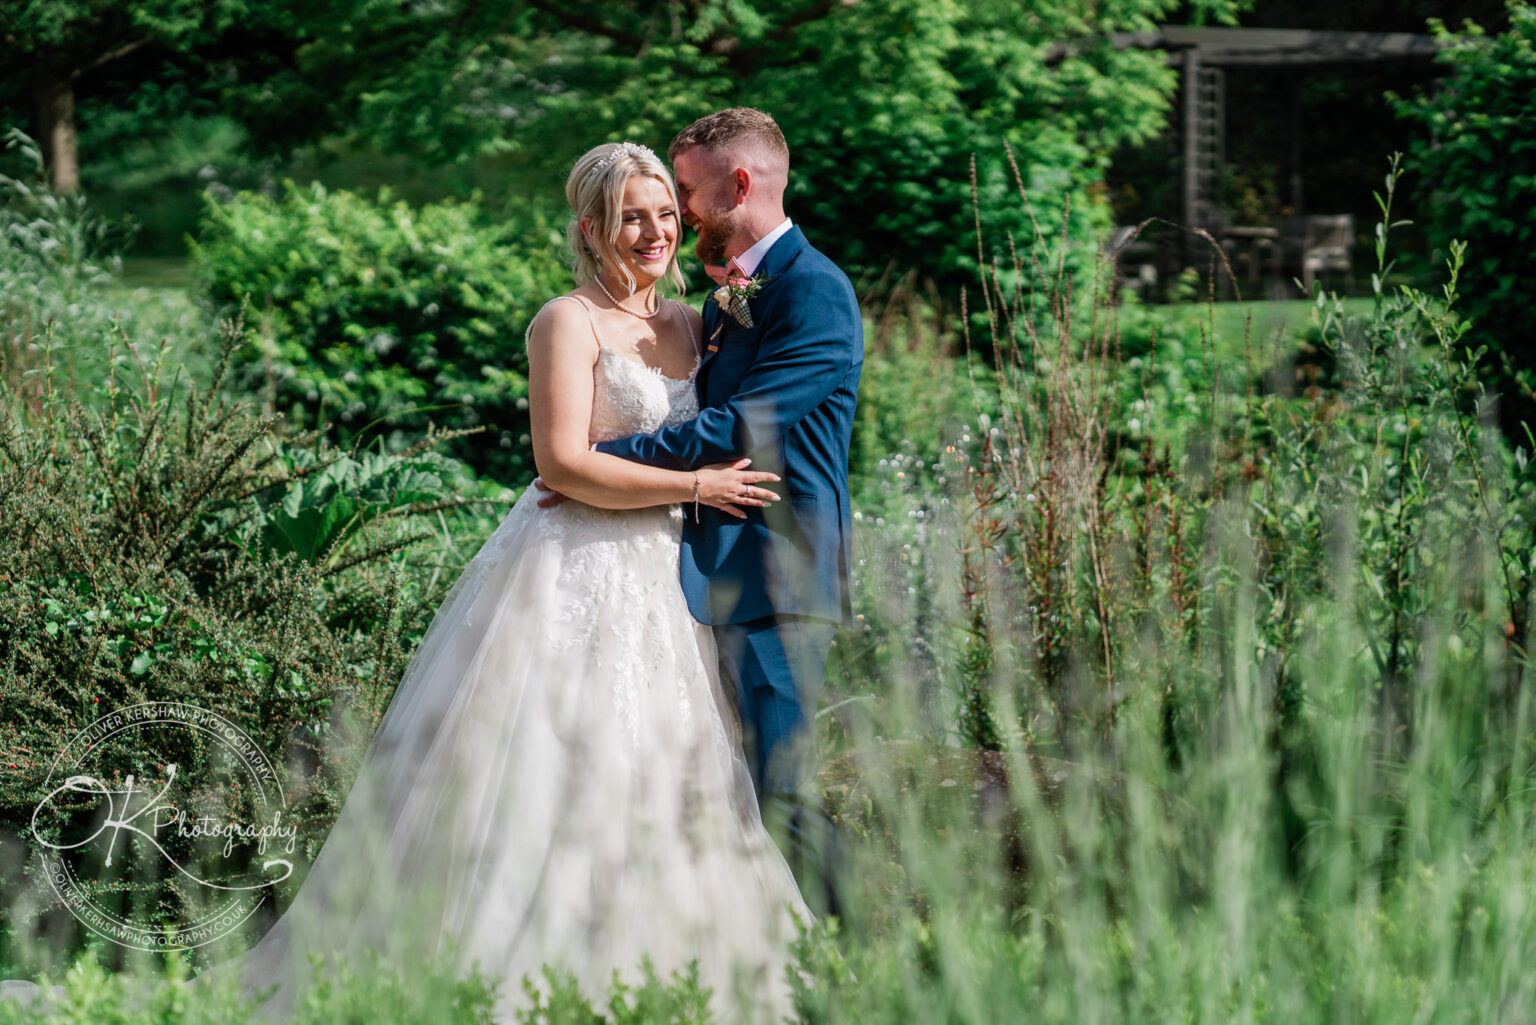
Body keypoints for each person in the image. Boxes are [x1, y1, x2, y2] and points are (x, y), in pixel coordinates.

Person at [0, 140, 810, 1025]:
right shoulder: (564, 322)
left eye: (664, 212)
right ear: (591, 227)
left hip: (667, 578)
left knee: (670, 764)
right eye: (631, 216)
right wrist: (696, 485)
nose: (655, 230)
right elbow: (562, 465)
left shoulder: (696, 323)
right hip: (573, 566)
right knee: (550, 766)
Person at [542, 108, 863, 918]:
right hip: (690, 578)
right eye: (647, 208)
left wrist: (599, 465)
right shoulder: (720, 302)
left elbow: (742, 428)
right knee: (705, 785)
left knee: (778, 790)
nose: (676, 217)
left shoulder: (814, 290)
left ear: (739, 184)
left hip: (778, 576)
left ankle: (866, 953)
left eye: (683, 193)